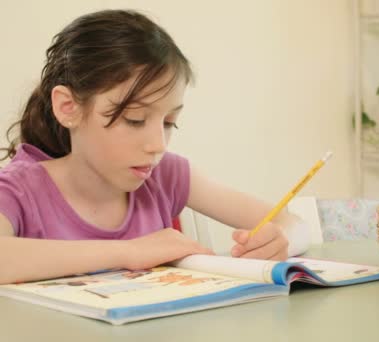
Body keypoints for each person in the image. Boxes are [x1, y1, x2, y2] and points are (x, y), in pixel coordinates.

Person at [0, 9, 307, 285]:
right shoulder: (20, 188)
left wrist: (280, 242)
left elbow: (294, 224)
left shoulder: (166, 175)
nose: (158, 145)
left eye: (169, 122)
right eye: (135, 120)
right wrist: (128, 252)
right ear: (68, 107)